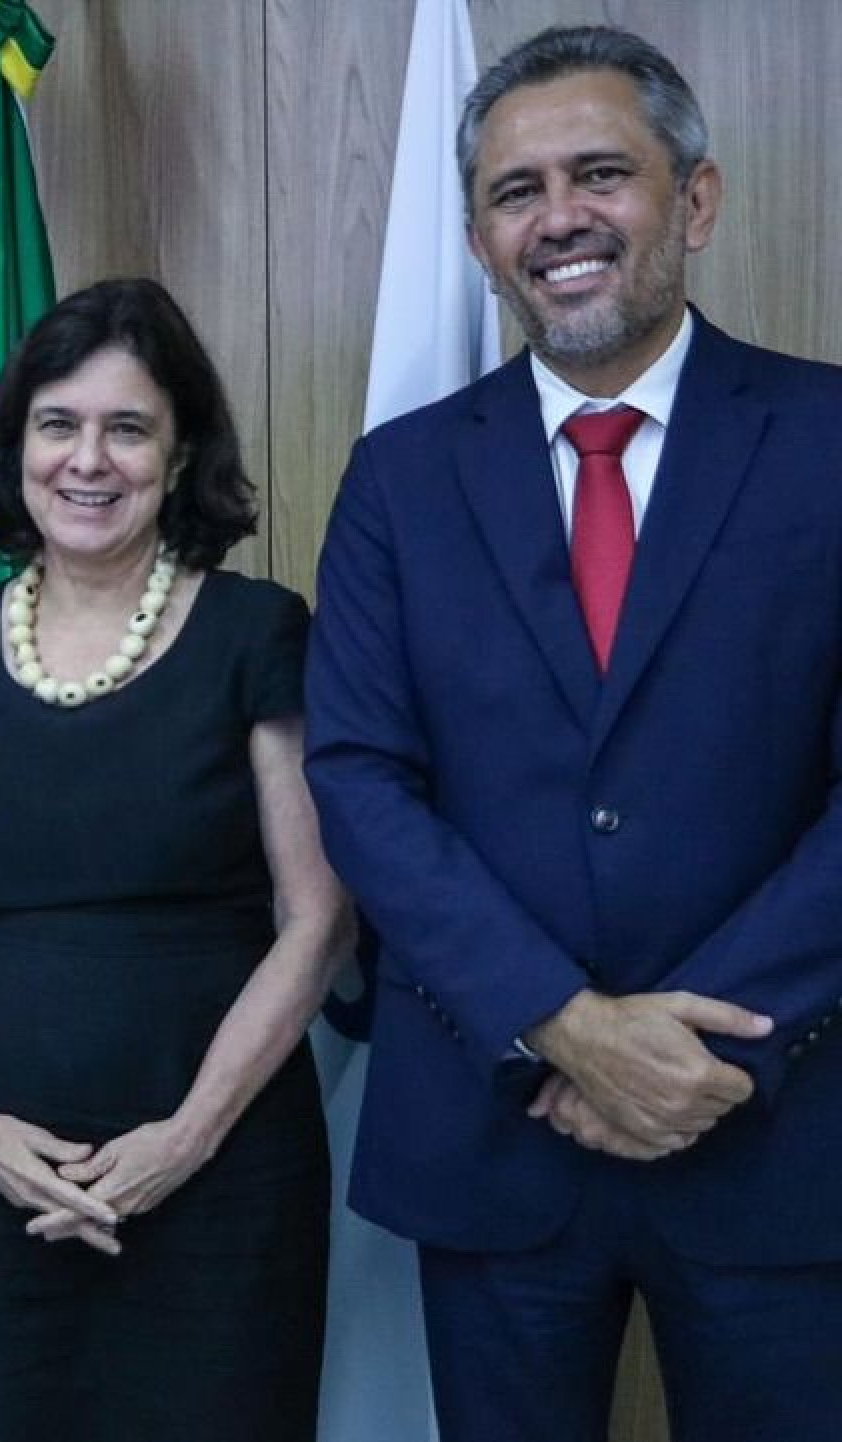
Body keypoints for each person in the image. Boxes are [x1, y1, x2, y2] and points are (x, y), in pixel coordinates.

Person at [306, 25, 842, 1442]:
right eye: (515, 191)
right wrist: (565, 1023)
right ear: (481, 240)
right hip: (496, 1127)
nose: (559, 219)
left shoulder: (830, 438)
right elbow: (360, 778)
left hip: (780, 1125)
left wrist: (703, 1046)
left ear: (697, 200)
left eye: (600, 173)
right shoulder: (401, 478)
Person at [0, 277, 349, 1441]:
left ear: (180, 455)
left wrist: (182, 1139)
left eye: (128, 427)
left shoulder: (258, 631)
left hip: (221, 1177)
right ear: (18, 445)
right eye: (58, 423)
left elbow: (318, 916)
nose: (90, 459)